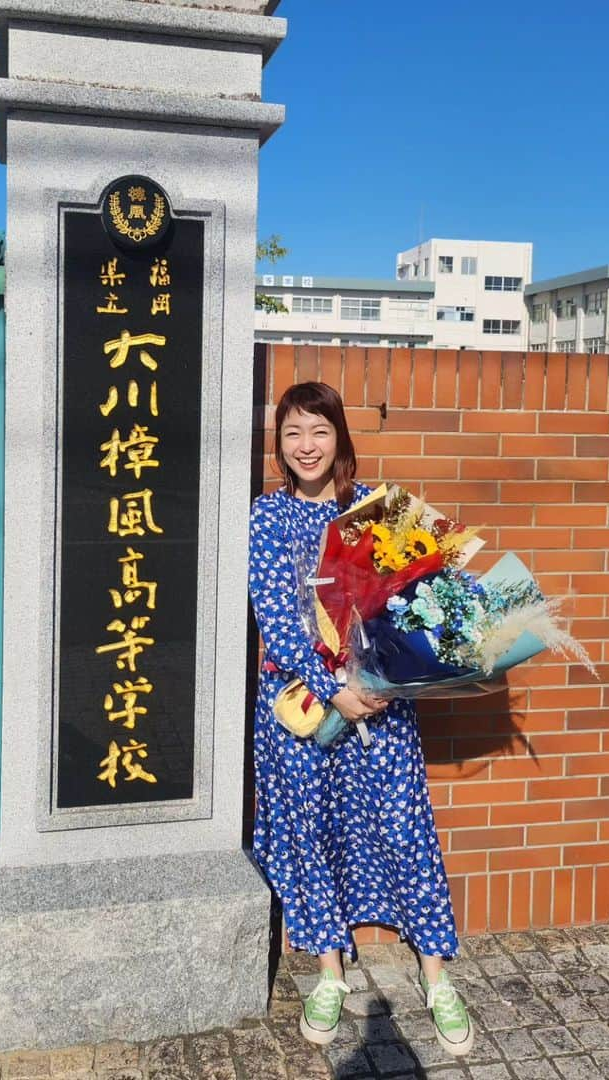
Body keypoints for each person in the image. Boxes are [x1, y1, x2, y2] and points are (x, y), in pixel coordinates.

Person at [247, 381, 474, 1056]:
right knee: (312, 832)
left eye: (318, 431)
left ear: (339, 437)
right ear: (279, 445)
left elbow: (429, 598)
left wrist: (393, 674)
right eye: (292, 433)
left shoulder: (380, 509)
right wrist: (332, 688)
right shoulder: (266, 516)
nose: (306, 446)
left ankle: (436, 978)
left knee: (405, 829)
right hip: (301, 707)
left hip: (382, 701)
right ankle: (329, 972)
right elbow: (277, 622)